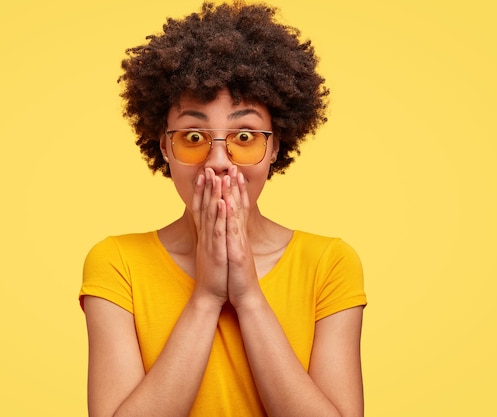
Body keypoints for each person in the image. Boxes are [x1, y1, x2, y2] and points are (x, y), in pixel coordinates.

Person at [79, 2, 367, 416]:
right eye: (193, 136)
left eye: (245, 136)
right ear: (164, 147)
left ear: (273, 148)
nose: (217, 160)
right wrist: (208, 296)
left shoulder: (330, 263)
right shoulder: (116, 263)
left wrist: (248, 296)